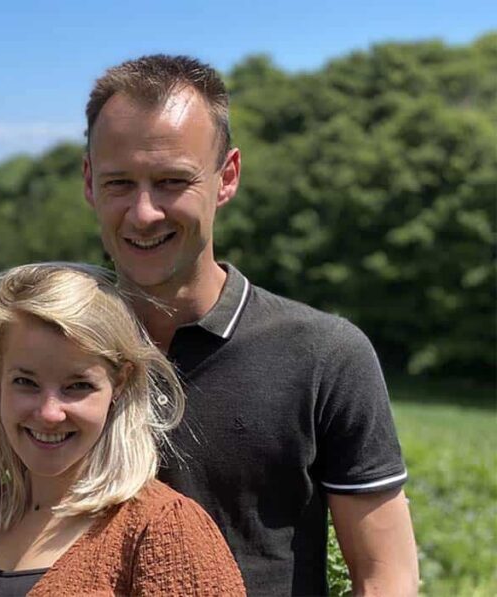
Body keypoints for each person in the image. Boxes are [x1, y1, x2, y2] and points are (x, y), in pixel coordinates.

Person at [81, 54, 419, 595]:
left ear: (226, 178)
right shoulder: (60, 347)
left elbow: (386, 576)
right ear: (90, 182)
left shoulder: (323, 355)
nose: (144, 212)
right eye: (120, 182)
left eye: (172, 181)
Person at [0, 263, 245, 596]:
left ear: (119, 384)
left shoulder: (163, 529)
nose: (49, 413)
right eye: (25, 382)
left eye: (77, 386)